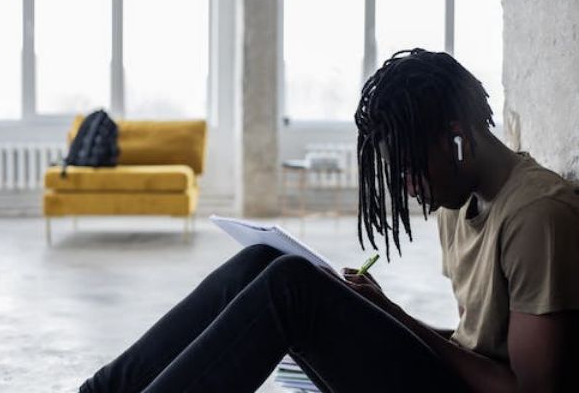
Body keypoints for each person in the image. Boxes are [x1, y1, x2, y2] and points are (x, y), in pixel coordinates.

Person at [80, 49, 579, 393]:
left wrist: (396, 316)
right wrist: (381, 312)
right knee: (261, 261)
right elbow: (475, 347)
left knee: (292, 287)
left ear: (457, 139)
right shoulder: (458, 200)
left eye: (410, 169)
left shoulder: (536, 216)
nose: (408, 187)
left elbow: (528, 388)